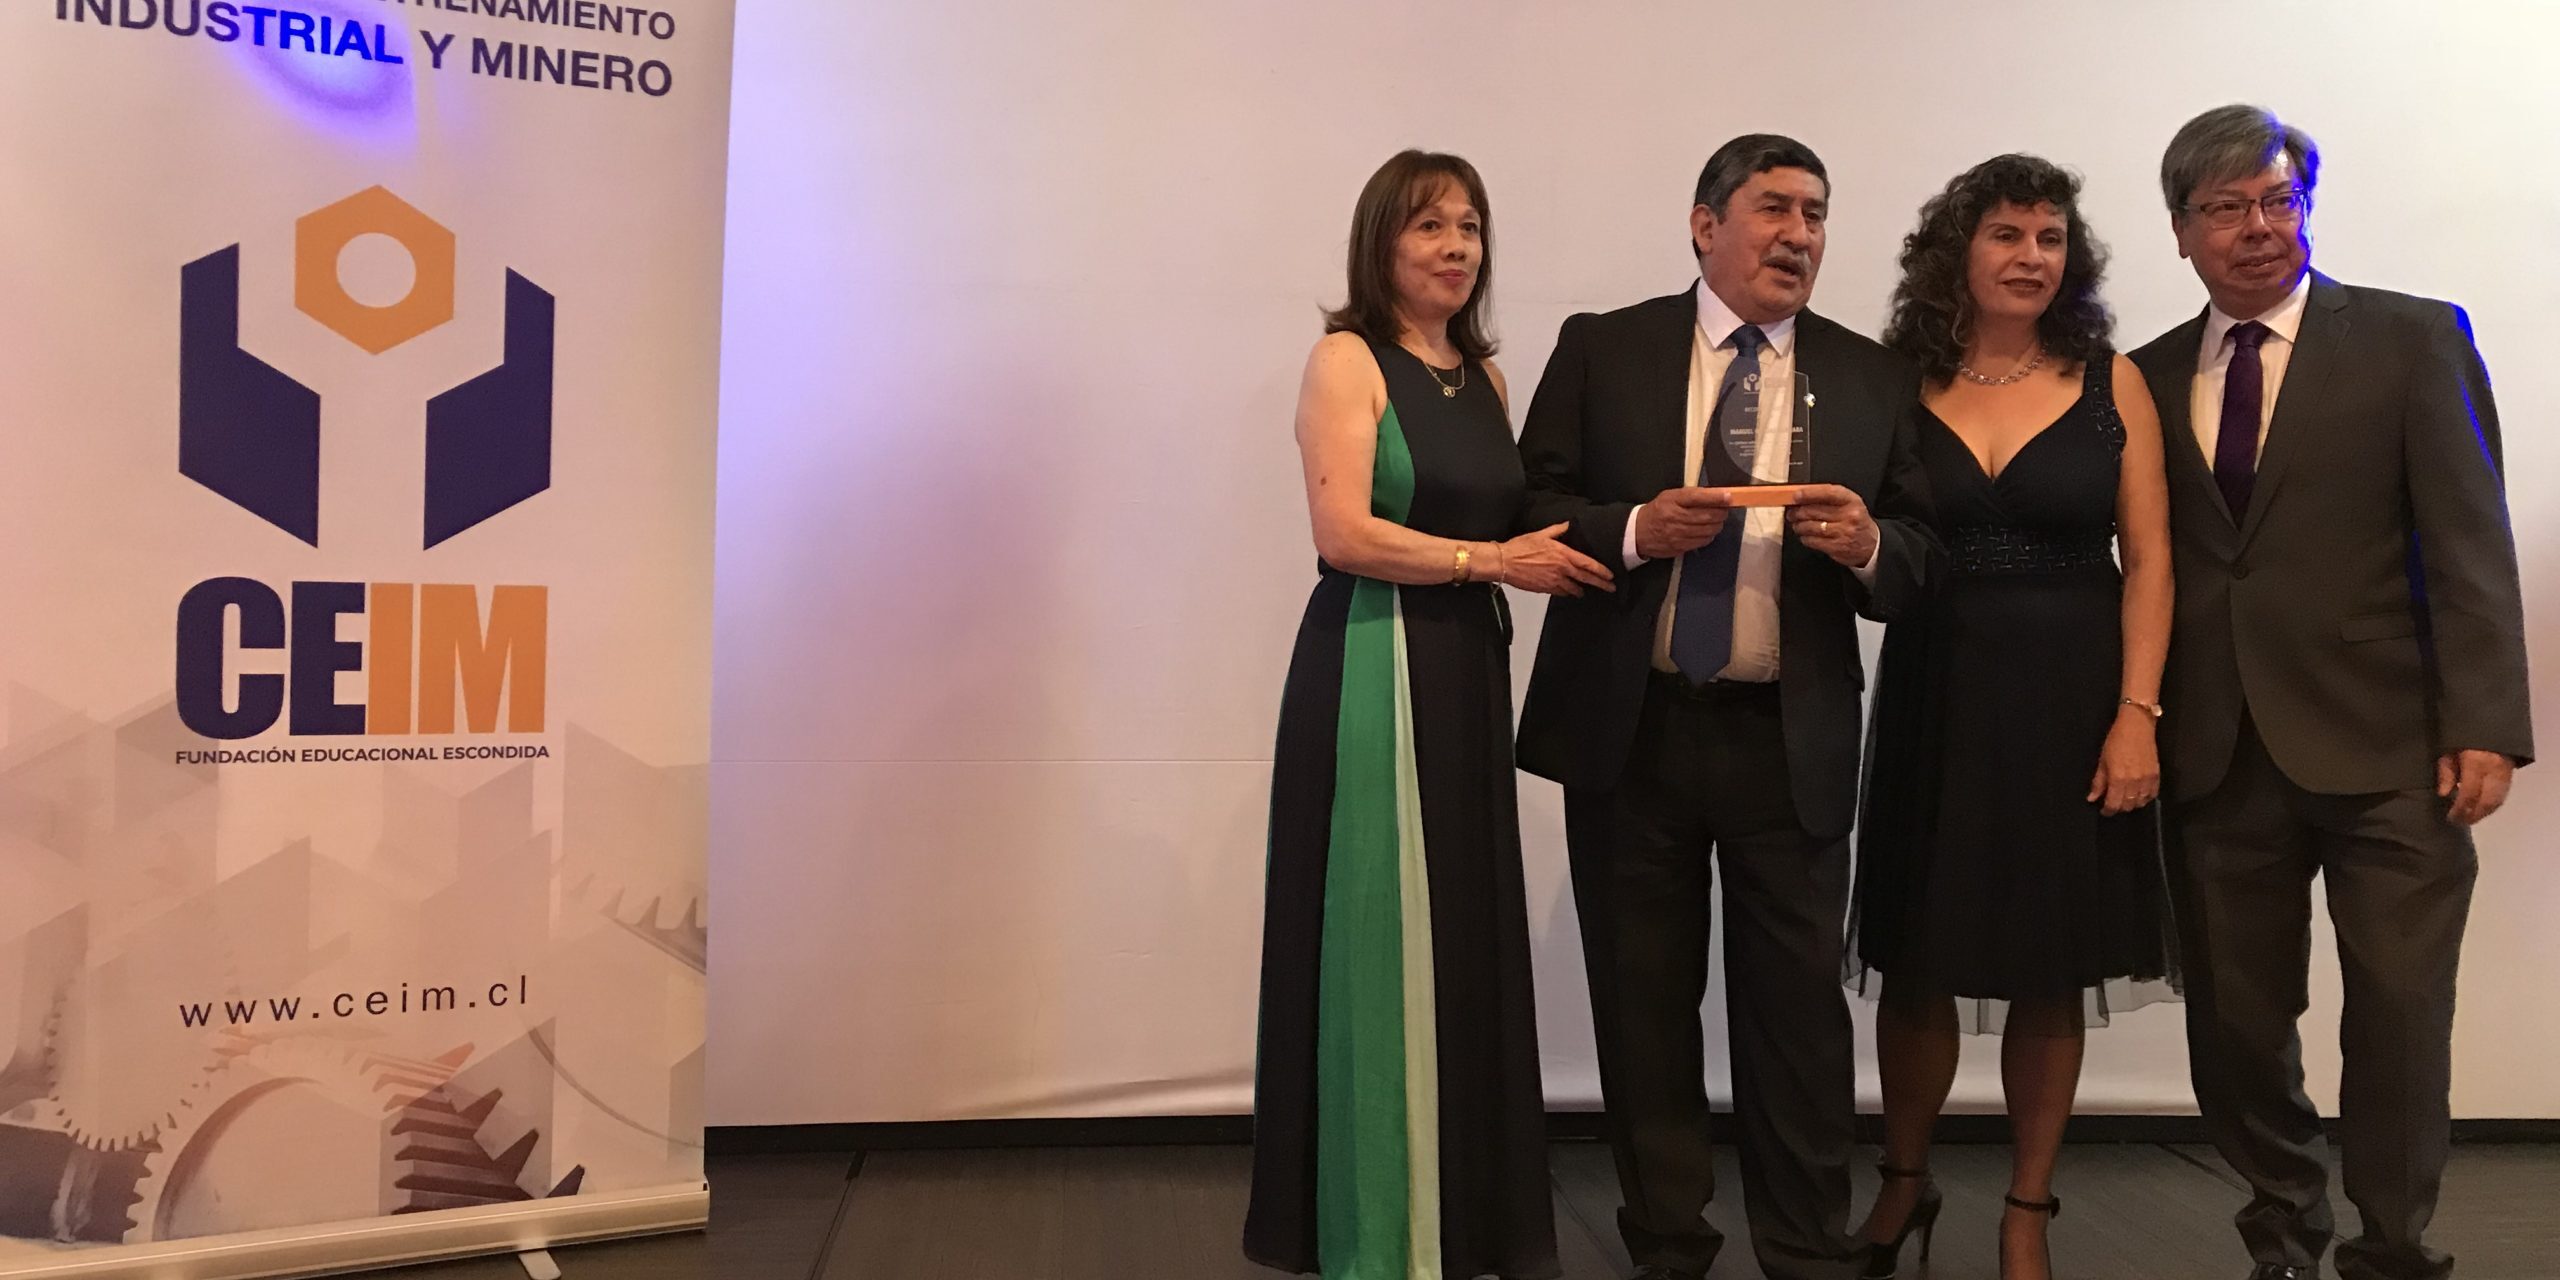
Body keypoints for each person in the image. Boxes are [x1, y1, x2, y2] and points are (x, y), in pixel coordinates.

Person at [1514, 134, 1939, 1280]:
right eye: (1773, 209)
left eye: (1815, 214)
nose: (1798, 234)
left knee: (1796, 1015)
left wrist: (1869, 545)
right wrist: (1635, 530)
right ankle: (1666, 1242)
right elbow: (1531, 502)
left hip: (1786, 737)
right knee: (1641, 1003)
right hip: (1633, 728)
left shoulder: (1869, 373)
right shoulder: (1604, 348)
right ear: (1705, 225)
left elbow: (1920, 549)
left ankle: (1803, 1247)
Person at [2128, 105, 2532, 1280]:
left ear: (2304, 208)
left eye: (2277, 200)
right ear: (2181, 231)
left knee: (2398, 1009)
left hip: (2393, 743)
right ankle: (2281, 1225)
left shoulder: (2411, 337)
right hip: (2218, 748)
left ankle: (2393, 1242)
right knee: (2236, 1020)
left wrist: (2484, 723)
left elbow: (2468, 536)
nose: (2257, 227)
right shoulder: (2146, 374)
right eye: (2225, 207)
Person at [1245, 149, 1610, 1280]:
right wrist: (1489, 561)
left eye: (1470, 226)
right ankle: (1371, 1226)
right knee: (1377, 927)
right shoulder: (1345, 360)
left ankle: (1455, 1218)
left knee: (1457, 928)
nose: (1456, 247)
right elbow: (1343, 534)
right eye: (1428, 227)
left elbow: (1517, 519)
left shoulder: (1483, 376)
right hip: (1374, 658)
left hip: (1464, 665)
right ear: (1382, 244)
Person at [1845, 154, 2177, 1280]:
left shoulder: (2111, 381)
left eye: (2049, 238)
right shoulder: (1897, 381)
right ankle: (1903, 1182)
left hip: (2072, 700)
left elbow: (2152, 562)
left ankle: (2028, 1209)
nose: (2031, 257)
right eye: (2006, 234)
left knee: (2050, 959)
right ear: (1958, 250)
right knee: (1915, 954)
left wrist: (2136, 715)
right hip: (1936, 694)